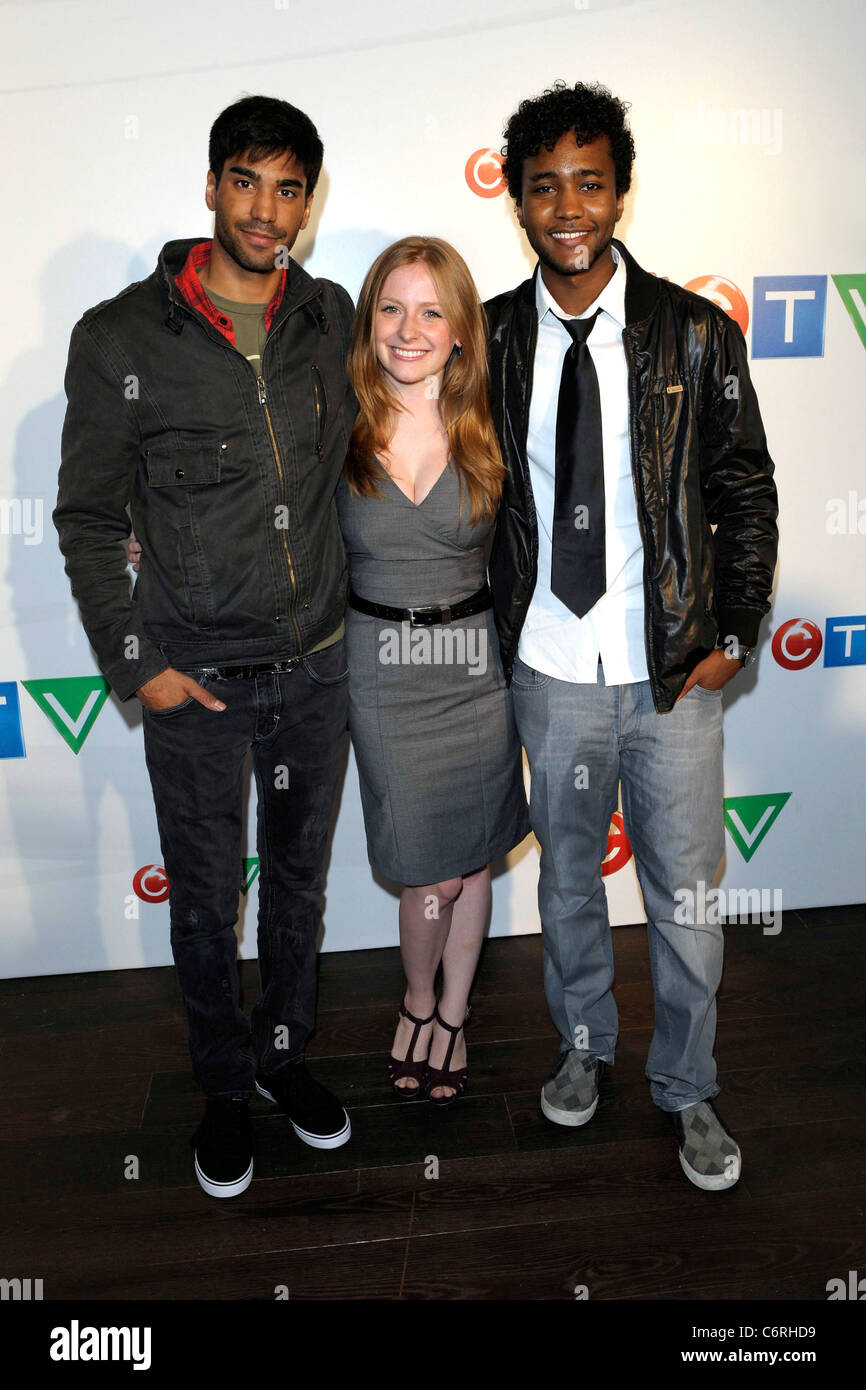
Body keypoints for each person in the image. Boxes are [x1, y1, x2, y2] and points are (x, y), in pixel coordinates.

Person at [55, 95, 357, 1199]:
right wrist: (137, 663)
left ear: (307, 203)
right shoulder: (122, 337)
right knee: (200, 897)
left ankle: (285, 1059)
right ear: (210, 186)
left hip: (317, 662)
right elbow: (89, 517)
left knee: (296, 885)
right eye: (246, 181)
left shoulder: (329, 319)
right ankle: (225, 1085)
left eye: (288, 189)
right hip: (195, 678)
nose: (265, 209)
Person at [484, 82, 779, 1188]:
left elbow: (743, 490)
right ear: (516, 198)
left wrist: (737, 630)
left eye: (588, 182)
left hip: (671, 676)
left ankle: (688, 1085)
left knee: (688, 901)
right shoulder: (490, 337)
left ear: (619, 191)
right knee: (565, 881)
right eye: (545, 184)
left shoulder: (693, 333)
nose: (567, 206)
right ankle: (580, 1045)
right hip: (549, 670)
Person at [337, 237, 530, 1103]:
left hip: (472, 670)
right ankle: (416, 999)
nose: (408, 330)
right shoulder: (331, 420)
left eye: (430, 311)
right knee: (428, 871)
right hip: (382, 669)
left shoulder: (494, 420)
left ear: (460, 331)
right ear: (368, 320)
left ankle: (452, 1013)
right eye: (390, 307)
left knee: (475, 861)